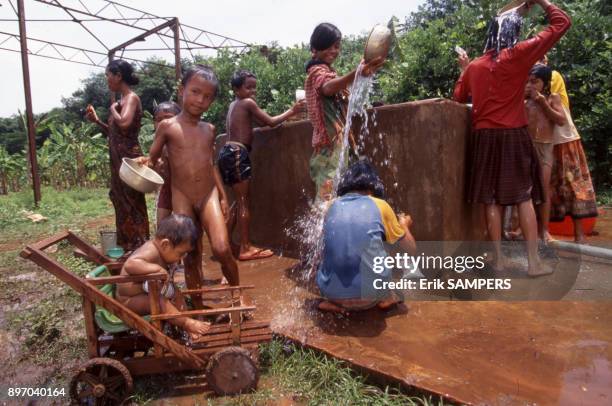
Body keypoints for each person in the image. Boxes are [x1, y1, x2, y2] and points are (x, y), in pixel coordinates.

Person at [453, 0, 571, 277]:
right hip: (514, 134)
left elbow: (459, 97)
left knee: (491, 199)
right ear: (514, 33)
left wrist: (464, 69)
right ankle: (533, 263)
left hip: (484, 136)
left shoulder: (475, 67)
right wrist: (541, 1)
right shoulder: (519, 54)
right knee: (523, 197)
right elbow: (562, 23)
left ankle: (499, 260)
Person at [138, 65, 237, 309]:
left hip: (208, 195)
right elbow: (153, 156)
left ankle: (237, 295)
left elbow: (211, 165)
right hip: (181, 196)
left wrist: (223, 197)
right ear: (182, 90)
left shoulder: (209, 130)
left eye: (207, 97)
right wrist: (146, 161)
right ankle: (198, 304)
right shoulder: (168, 126)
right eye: (195, 92)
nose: (200, 100)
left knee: (222, 248)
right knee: (191, 254)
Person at [218, 70, 305, 261]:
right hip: (238, 153)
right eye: (248, 87)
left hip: (226, 152)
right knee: (242, 202)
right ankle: (245, 248)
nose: (252, 92)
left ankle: (225, 246)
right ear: (236, 89)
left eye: (254, 88)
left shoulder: (235, 105)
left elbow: (250, 127)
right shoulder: (247, 103)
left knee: (235, 202)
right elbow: (272, 122)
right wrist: (293, 110)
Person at [316, 161, 416, 314]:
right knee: (381, 253)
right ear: (373, 186)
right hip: (369, 298)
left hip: (333, 294)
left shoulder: (330, 206)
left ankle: (331, 304)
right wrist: (404, 226)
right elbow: (411, 249)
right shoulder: (380, 205)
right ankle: (385, 298)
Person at [305, 23, 384, 201]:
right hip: (328, 149)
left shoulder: (330, 73)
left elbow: (347, 99)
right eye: (329, 45)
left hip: (338, 146)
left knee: (341, 194)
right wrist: (355, 73)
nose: (334, 50)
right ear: (314, 48)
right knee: (325, 201)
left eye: (337, 46)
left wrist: (364, 74)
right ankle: (322, 229)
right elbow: (326, 88)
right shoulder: (316, 72)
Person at [86, 59, 149, 251]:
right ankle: (128, 244)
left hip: (129, 159)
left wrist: (113, 108)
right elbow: (115, 132)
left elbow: (124, 124)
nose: (107, 79)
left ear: (118, 76)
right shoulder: (123, 100)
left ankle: (139, 244)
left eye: (108, 75)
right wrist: (97, 121)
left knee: (132, 201)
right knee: (120, 200)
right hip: (117, 159)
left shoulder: (131, 98)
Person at [116, 214, 210, 339]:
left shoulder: (161, 252)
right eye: (180, 253)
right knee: (159, 302)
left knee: (177, 294)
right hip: (129, 301)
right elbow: (130, 264)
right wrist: (157, 269)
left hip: (146, 293)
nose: (182, 259)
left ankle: (187, 322)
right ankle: (186, 324)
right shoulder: (151, 250)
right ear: (165, 244)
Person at [549, 89, 598, 244]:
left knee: (575, 187)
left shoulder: (550, 79)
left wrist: (539, 101)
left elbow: (560, 118)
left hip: (565, 142)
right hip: (546, 144)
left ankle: (579, 234)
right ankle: (542, 232)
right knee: (547, 188)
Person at [525, 65, 567, 243]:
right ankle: (522, 228)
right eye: (528, 82)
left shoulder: (552, 98)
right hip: (527, 146)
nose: (531, 85)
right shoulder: (525, 98)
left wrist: (543, 102)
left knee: (542, 188)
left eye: (535, 82)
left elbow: (561, 120)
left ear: (546, 82)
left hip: (545, 147)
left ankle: (544, 230)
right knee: (524, 189)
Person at [152, 101, 181, 226]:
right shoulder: (158, 143)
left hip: (184, 190)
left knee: (187, 228)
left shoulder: (185, 139)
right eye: (158, 119)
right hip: (166, 189)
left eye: (168, 118)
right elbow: (154, 165)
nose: (162, 122)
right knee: (161, 226)